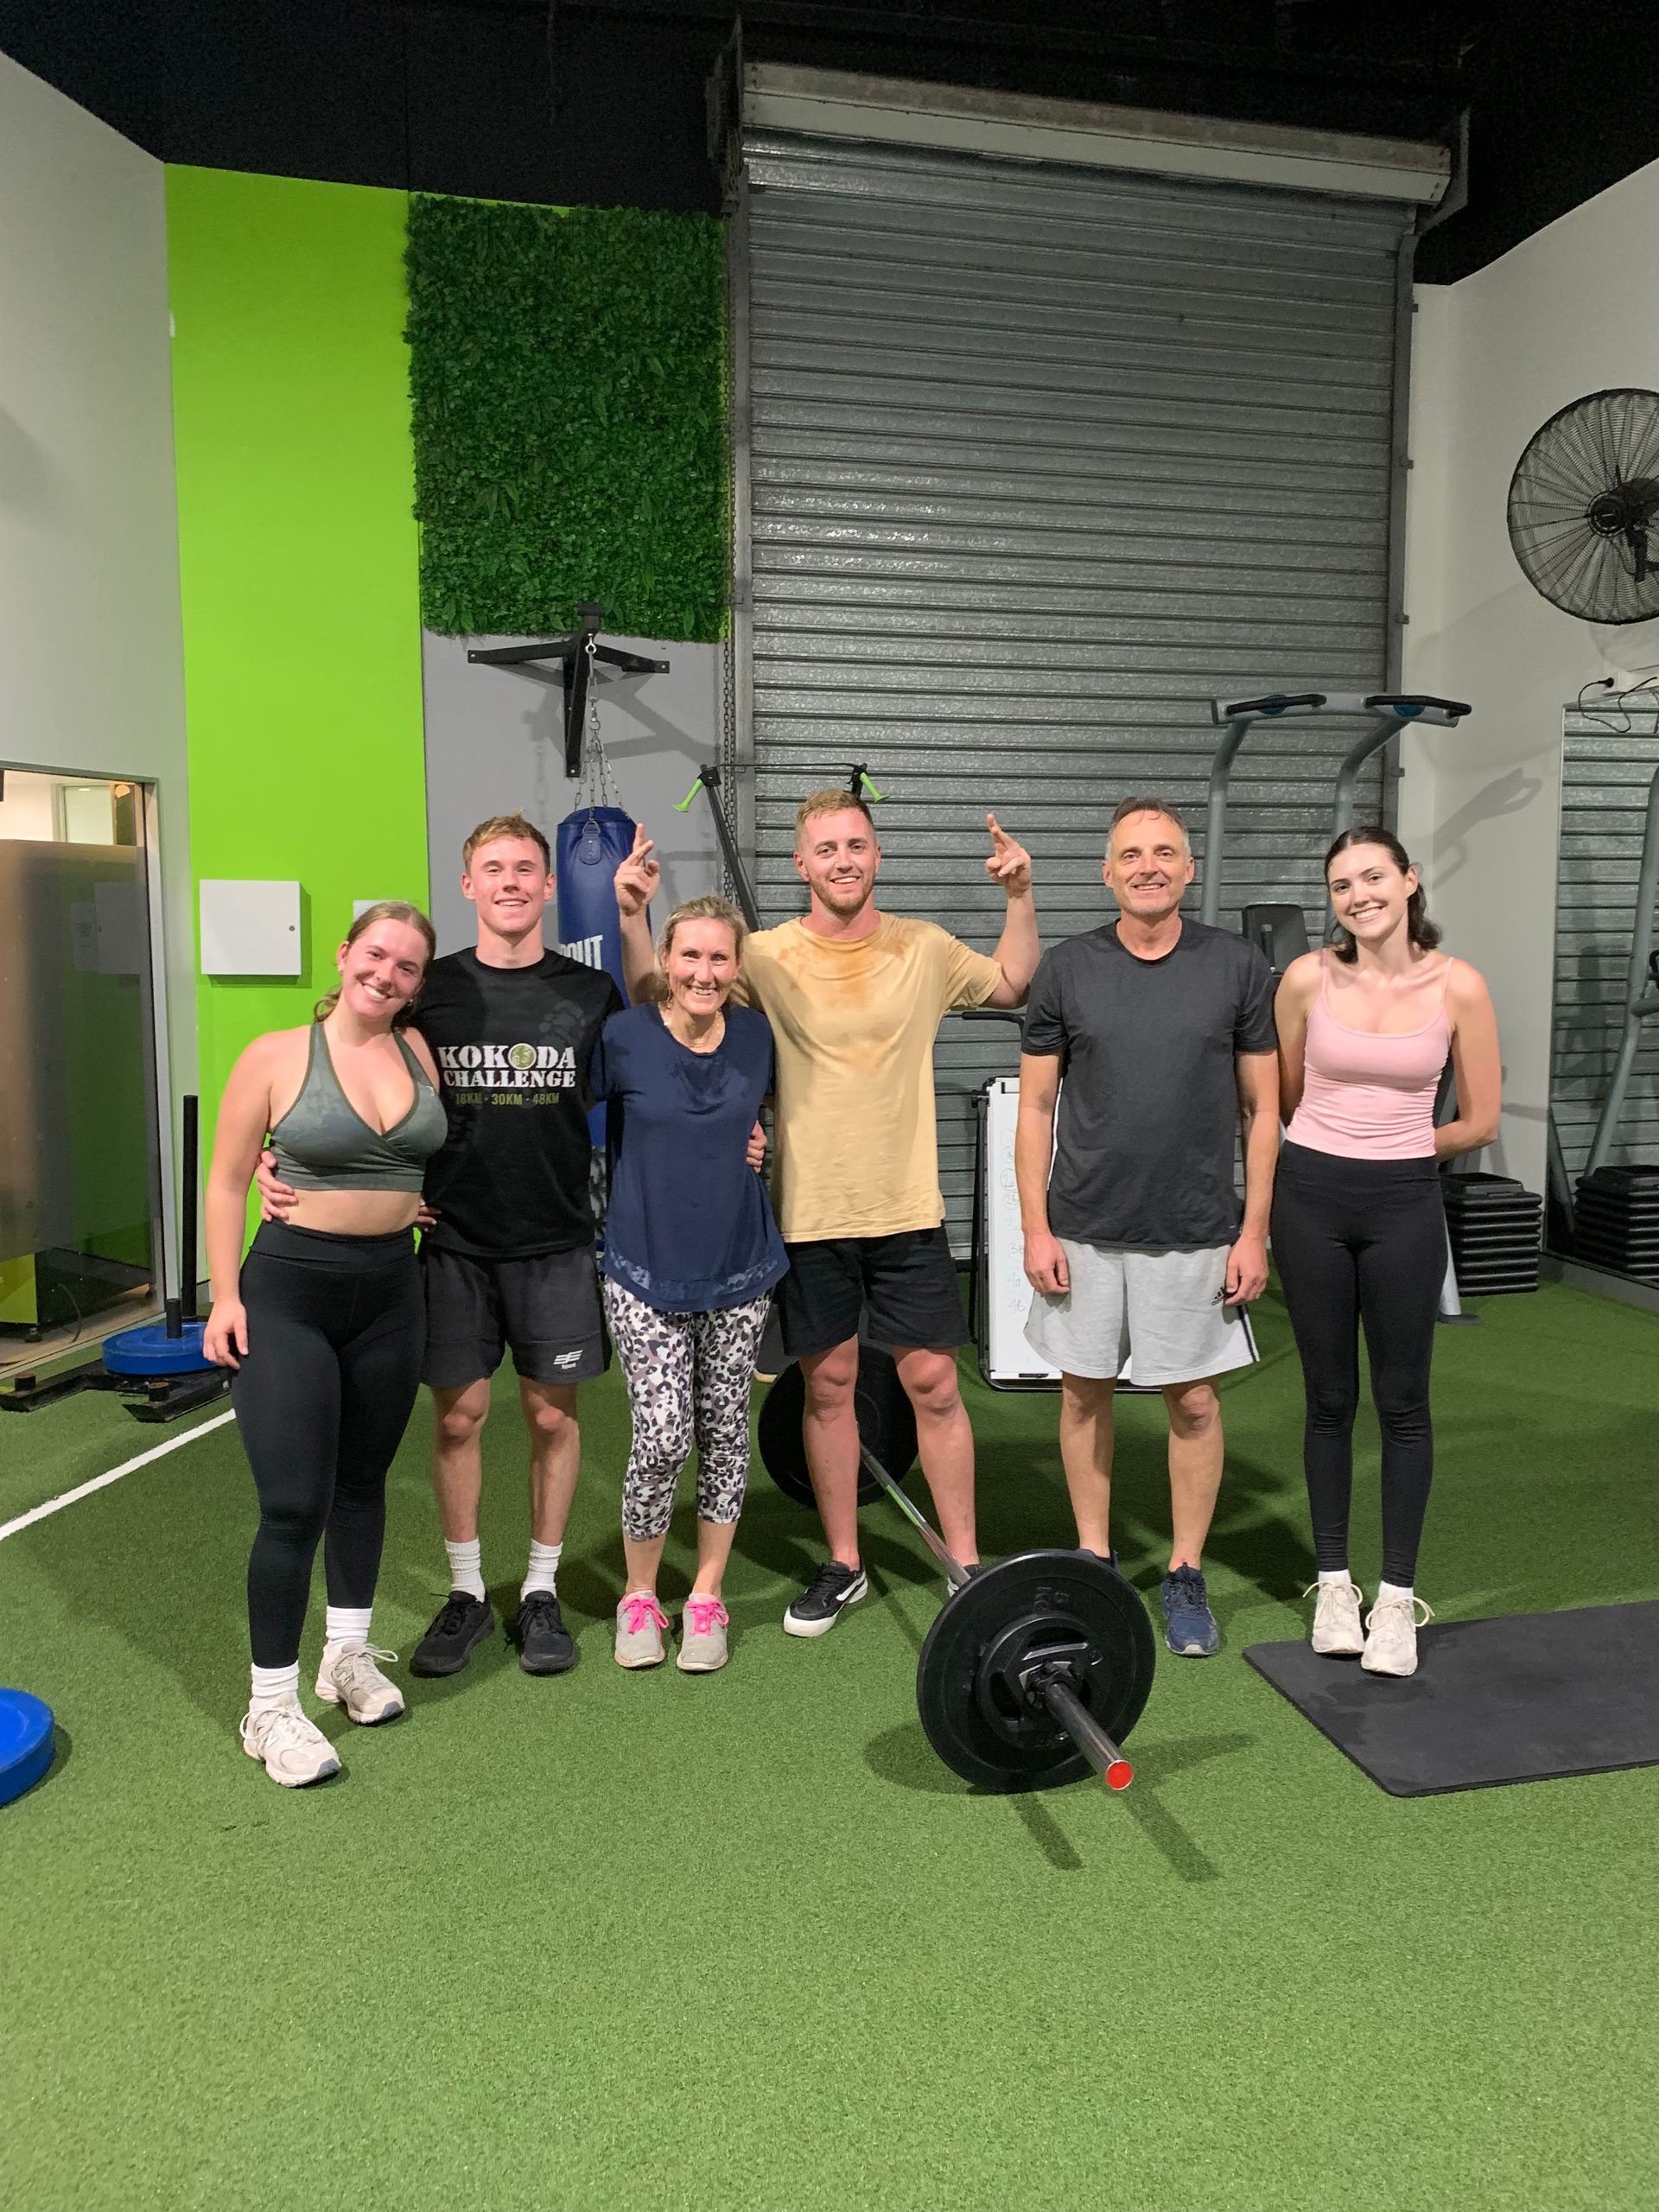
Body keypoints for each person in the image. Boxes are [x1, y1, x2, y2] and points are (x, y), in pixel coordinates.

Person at [615, 788, 1039, 1636]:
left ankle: (966, 1562)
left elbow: (1014, 982)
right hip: (808, 1214)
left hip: (908, 1207)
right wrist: (635, 915)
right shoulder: (765, 956)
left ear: (875, 855)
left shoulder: (922, 948)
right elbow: (663, 999)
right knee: (831, 1386)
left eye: (856, 844)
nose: (843, 860)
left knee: (933, 1384)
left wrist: (1019, 894)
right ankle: (844, 1560)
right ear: (800, 864)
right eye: (826, 848)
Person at [258, 814, 621, 1679]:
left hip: (557, 1240)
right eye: (492, 868)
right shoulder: (429, 990)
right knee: (459, 1416)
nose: (509, 882)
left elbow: (646, 1081)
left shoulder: (591, 993)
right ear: (469, 885)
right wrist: (283, 1155)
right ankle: (465, 1591)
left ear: (545, 887)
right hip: (452, 1244)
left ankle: (539, 1589)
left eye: (526, 869)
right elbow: (346, 1067)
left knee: (549, 1414)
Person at [1015, 798, 1279, 1658]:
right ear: (1107, 871)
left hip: (1198, 1229)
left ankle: (1185, 1569)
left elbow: (1263, 1109)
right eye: (1132, 853)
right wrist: (1035, 1229)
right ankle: (1094, 1554)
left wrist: (1253, 1232)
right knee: (1083, 1390)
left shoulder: (1238, 968)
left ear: (1190, 867)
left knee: (1194, 1401)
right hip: (1085, 1225)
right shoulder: (1066, 970)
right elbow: (1039, 1107)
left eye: (1165, 851)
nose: (1148, 865)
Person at [205, 902, 447, 1787]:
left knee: (362, 1484)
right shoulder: (276, 1056)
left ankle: (345, 1655)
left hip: (392, 1292)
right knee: (293, 1502)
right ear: (345, 956)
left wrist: (407, 1203)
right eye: (377, 955)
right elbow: (229, 1180)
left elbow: (415, 1164)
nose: (388, 974)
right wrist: (225, 1294)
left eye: (409, 967)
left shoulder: (418, 1052)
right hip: (289, 1295)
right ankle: (268, 1708)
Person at [1272, 827, 1500, 1678]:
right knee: (1329, 1396)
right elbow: (1284, 1096)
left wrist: (1401, 1145)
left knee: (1404, 1401)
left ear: (1408, 881)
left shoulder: (1460, 986)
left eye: (1373, 876)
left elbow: (1479, 1118)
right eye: (1341, 884)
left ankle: (1396, 1598)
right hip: (1311, 1200)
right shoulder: (1305, 978)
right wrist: (1331, 1150)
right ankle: (1335, 1585)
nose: (1359, 894)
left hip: (1405, 1201)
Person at [590, 894, 787, 1673]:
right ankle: (639, 1595)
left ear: (736, 969)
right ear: (666, 963)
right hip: (643, 1266)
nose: (705, 972)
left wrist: (761, 1139)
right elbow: (556, 1121)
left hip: (740, 1265)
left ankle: (705, 1594)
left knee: (726, 1431)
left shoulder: (756, 1037)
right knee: (664, 1433)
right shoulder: (623, 1037)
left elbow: (765, 1114)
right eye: (691, 956)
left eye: (719, 958)